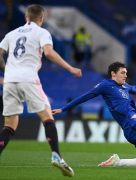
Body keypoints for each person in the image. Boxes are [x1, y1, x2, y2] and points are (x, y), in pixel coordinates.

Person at [0, 4, 82, 177]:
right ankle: (57, 156)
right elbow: (49, 53)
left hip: (9, 81)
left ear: (26, 17)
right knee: (47, 117)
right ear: (41, 18)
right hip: (29, 78)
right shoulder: (42, 32)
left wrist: (4, 69)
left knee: (9, 125)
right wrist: (71, 68)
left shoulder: (11, 34)